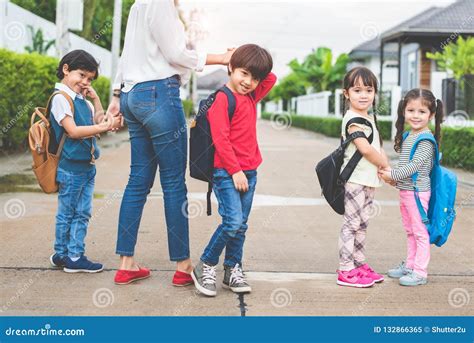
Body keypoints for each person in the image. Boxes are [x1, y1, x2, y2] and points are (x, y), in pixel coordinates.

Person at [107, 0, 235, 286]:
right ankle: (183, 266)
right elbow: (176, 53)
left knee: (137, 182)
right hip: (158, 95)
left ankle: (126, 264)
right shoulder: (161, 2)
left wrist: (117, 96)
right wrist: (222, 58)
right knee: (174, 184)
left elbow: (127, 56)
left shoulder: (139, 4)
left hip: (132, 94)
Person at [191, 44, 276, 297]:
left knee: (241, 225)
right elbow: (221, 139)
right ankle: (206, 263)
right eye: (243, 73)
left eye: (254, 77)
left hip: (250, 171)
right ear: (231, 68)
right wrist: (235, 170)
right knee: (232, 222)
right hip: (227, 172)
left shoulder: (251, 95)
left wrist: (246, 53)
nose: (249, 82)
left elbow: (271, 77)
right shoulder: (222, 99)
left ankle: (232, 269)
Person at [49, 49, 121, 273]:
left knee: (73, 212)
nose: (85, 82)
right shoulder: (61, 99)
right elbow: (72, 131)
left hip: (86, 167)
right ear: (66, 69)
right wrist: (102, 127)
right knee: (76, 213)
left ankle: (62, 254)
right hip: (71, 168)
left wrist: (97, 100)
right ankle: (74, 256)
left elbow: (98, 120)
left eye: (89, 79)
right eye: (81, 75)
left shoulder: (83, 101)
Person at [379, 88, 443, 286]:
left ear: (431, 115)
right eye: (411, 110)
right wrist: (395, 180)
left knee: (420, 233)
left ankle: (420, 273)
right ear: (404, 112)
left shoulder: (425, 140)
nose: (416, 116)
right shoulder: (409, 135)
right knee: (410, 231)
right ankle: (410, 265)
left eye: (422, 112)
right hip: (406, 192)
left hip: (417, 194)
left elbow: (413, 166)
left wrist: (392, 175)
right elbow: (406, 166)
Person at [336, 66, 389, 288]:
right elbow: (366, 149)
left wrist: (386, 170)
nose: (364, 95)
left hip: (368, 180)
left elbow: (378, 146)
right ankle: (345, 269)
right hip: (356, 180)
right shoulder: (352, 119)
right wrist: (386, 166)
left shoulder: (368, 117)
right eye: (357, 90)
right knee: (351, 224)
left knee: (362, 225)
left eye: (369, 89)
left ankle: (358, 265)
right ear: (346, 93)